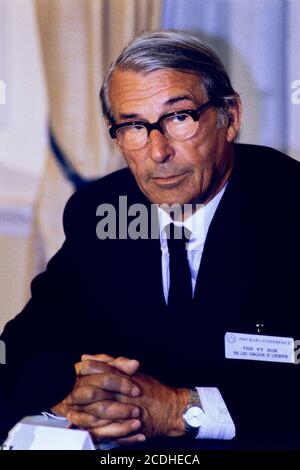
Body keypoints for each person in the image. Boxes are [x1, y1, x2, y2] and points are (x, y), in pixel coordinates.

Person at [0, 30, 299, 451]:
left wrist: (181, 408)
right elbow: (21, 349)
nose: (157, 152)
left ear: (229, 117)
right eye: (134, 126)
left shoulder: (289, 207)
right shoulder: (101, 211)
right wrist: (70, 392)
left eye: (179, 118)